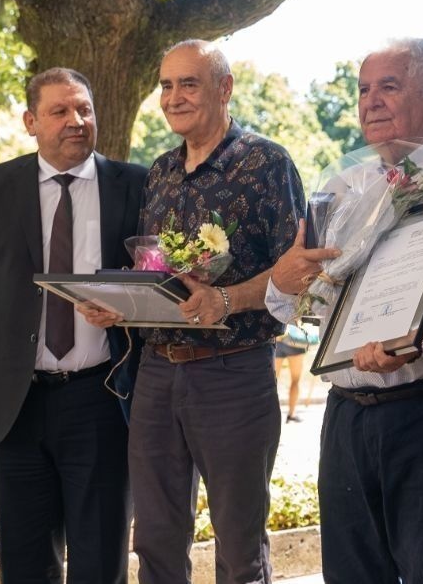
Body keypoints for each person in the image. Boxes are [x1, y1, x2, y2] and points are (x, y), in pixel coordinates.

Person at [266, 38, 423, 584]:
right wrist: (283, 282)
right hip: (346, 416)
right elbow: (303, 306)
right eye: (364, 89)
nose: (372, 101)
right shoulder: (338, 188)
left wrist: (417, 341)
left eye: (389, 86)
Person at [0, 67, 146, 583]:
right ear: (31, 121)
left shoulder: (137, 185)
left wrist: (131, 308)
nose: (75, 121)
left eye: (84, 110)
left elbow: (159, 278)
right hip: (14, 406)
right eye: (59, 111)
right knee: (26, 565)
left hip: (102, 400)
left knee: (100, 562)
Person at [118, 39, 304, 584]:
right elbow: (158, 269)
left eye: (189, 83)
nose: (174, 97)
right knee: (153, 540)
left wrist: (226, 298)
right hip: (155, 373)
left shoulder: (266, 163)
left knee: (239, 548)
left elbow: (296, 273)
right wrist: (122, 301)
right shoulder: (160, 172)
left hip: (235, 373)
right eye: (166, 85)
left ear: (224, 89)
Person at [274, 322, 315, 422]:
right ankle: (291, 414)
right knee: (295, 380)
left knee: (273, 381)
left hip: (278, 338)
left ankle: (272, 415)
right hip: (294, 341)